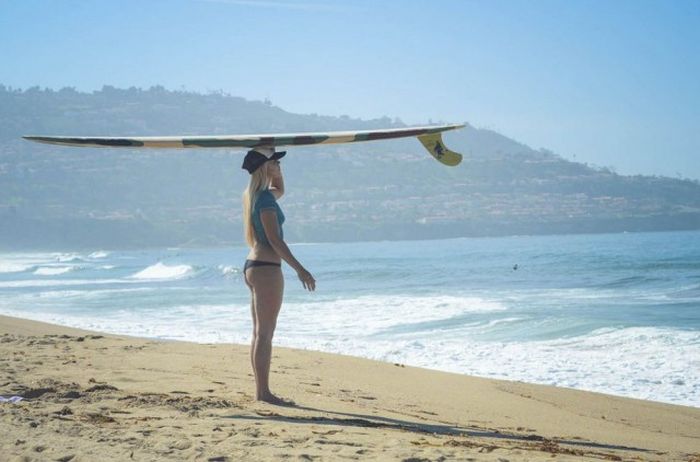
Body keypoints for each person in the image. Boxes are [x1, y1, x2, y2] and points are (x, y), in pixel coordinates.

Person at [241, 147, 316, 405]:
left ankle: (261, 391)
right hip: (266, 269)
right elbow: (275, 240)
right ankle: (263, 393)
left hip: (255, 266)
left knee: (259, 332)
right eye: (275, 162)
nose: (280, 165)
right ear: (265, 167)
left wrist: (273, 162)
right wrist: (300, 269)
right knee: (265, 334)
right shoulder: (264, 200)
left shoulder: (259, 196)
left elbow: (281, 189)